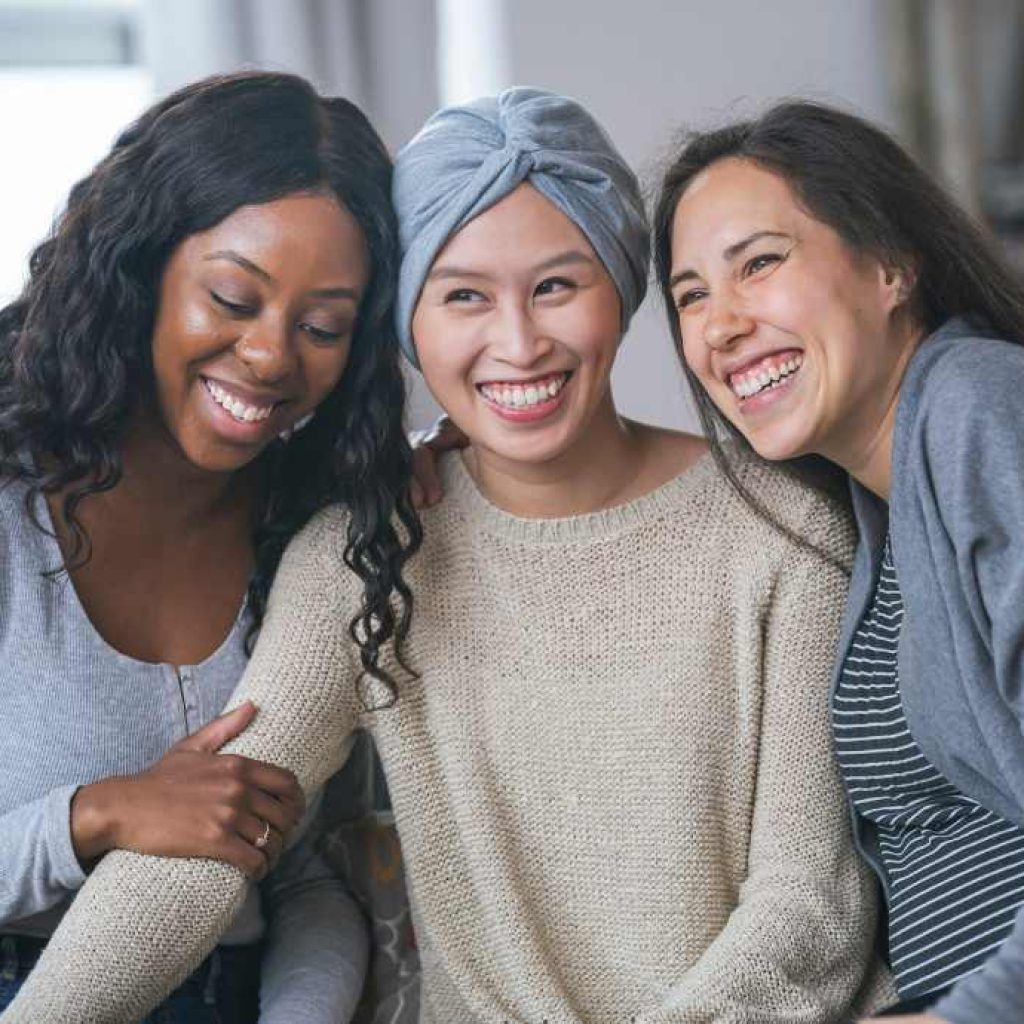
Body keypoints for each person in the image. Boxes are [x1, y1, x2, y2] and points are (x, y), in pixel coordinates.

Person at [4, 88, 887, 1024]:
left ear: (624, 290)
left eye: (557, 285)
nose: (517, 342)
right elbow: (206, 850)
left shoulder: (784, 529)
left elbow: (808, 910)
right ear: (409, 331)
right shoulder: (364, 553)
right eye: (463, 294)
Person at [0, 71, 419, 1023]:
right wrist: (93, 815)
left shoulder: (321, 544)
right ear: (142, 267)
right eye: (234, 297)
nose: (273, 356)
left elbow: (306, 877)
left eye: (321, 327)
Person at [653, 100, 1024, 1024]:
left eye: (761, 265)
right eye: (691, 294)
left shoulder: (978, 408)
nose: (720, 324)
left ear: (893, 265)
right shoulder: (865, 506)